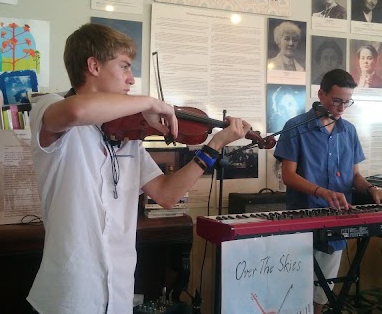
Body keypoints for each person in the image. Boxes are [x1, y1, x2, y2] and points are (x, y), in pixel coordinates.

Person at [26, 23, 250, 313]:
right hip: (70, 294)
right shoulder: (50, 107)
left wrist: (215, 144)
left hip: (118, 292)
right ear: (93, 65)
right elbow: (77, 111)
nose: (131, 79)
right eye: (124, 67)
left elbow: (166, 195)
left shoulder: (127, 137)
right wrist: (148, 103)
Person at [273, 69, 382, 314]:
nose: (342, 108)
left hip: (337, 218)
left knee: (322, 294)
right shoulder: (295, 127)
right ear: (321, 94)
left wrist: (373, 189)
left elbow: (355, 176)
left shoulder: (349, 131)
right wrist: (321, 192)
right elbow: (289, 176)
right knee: (296, 290)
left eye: (347, 102)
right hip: (304, 217)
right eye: (337, 101)